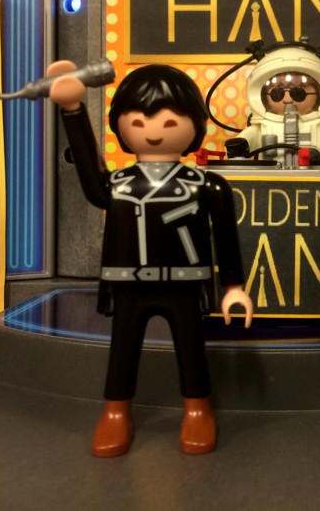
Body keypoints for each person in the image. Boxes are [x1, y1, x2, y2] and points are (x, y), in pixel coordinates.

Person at [48, 61, 253, 457]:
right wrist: (72, 110)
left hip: (185, 281)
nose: (154, 131)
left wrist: (233, 286)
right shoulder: (118, 183)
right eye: (139, 122)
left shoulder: (206, 184)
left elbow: (226, 236)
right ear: (121, 127)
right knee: (123, 348)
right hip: (129, 281)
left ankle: (197, 409)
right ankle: (115, 412)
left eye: (169, 121)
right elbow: (90, 176)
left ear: (195, 124)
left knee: (191, 347)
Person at [224, 39, 320, 165]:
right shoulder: (262, 128)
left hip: (313, 177)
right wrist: (241, 145)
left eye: (298, 93)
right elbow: (249, 138)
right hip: (269, 177)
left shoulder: (319, 128)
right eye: (277, 94)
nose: (288, 99)